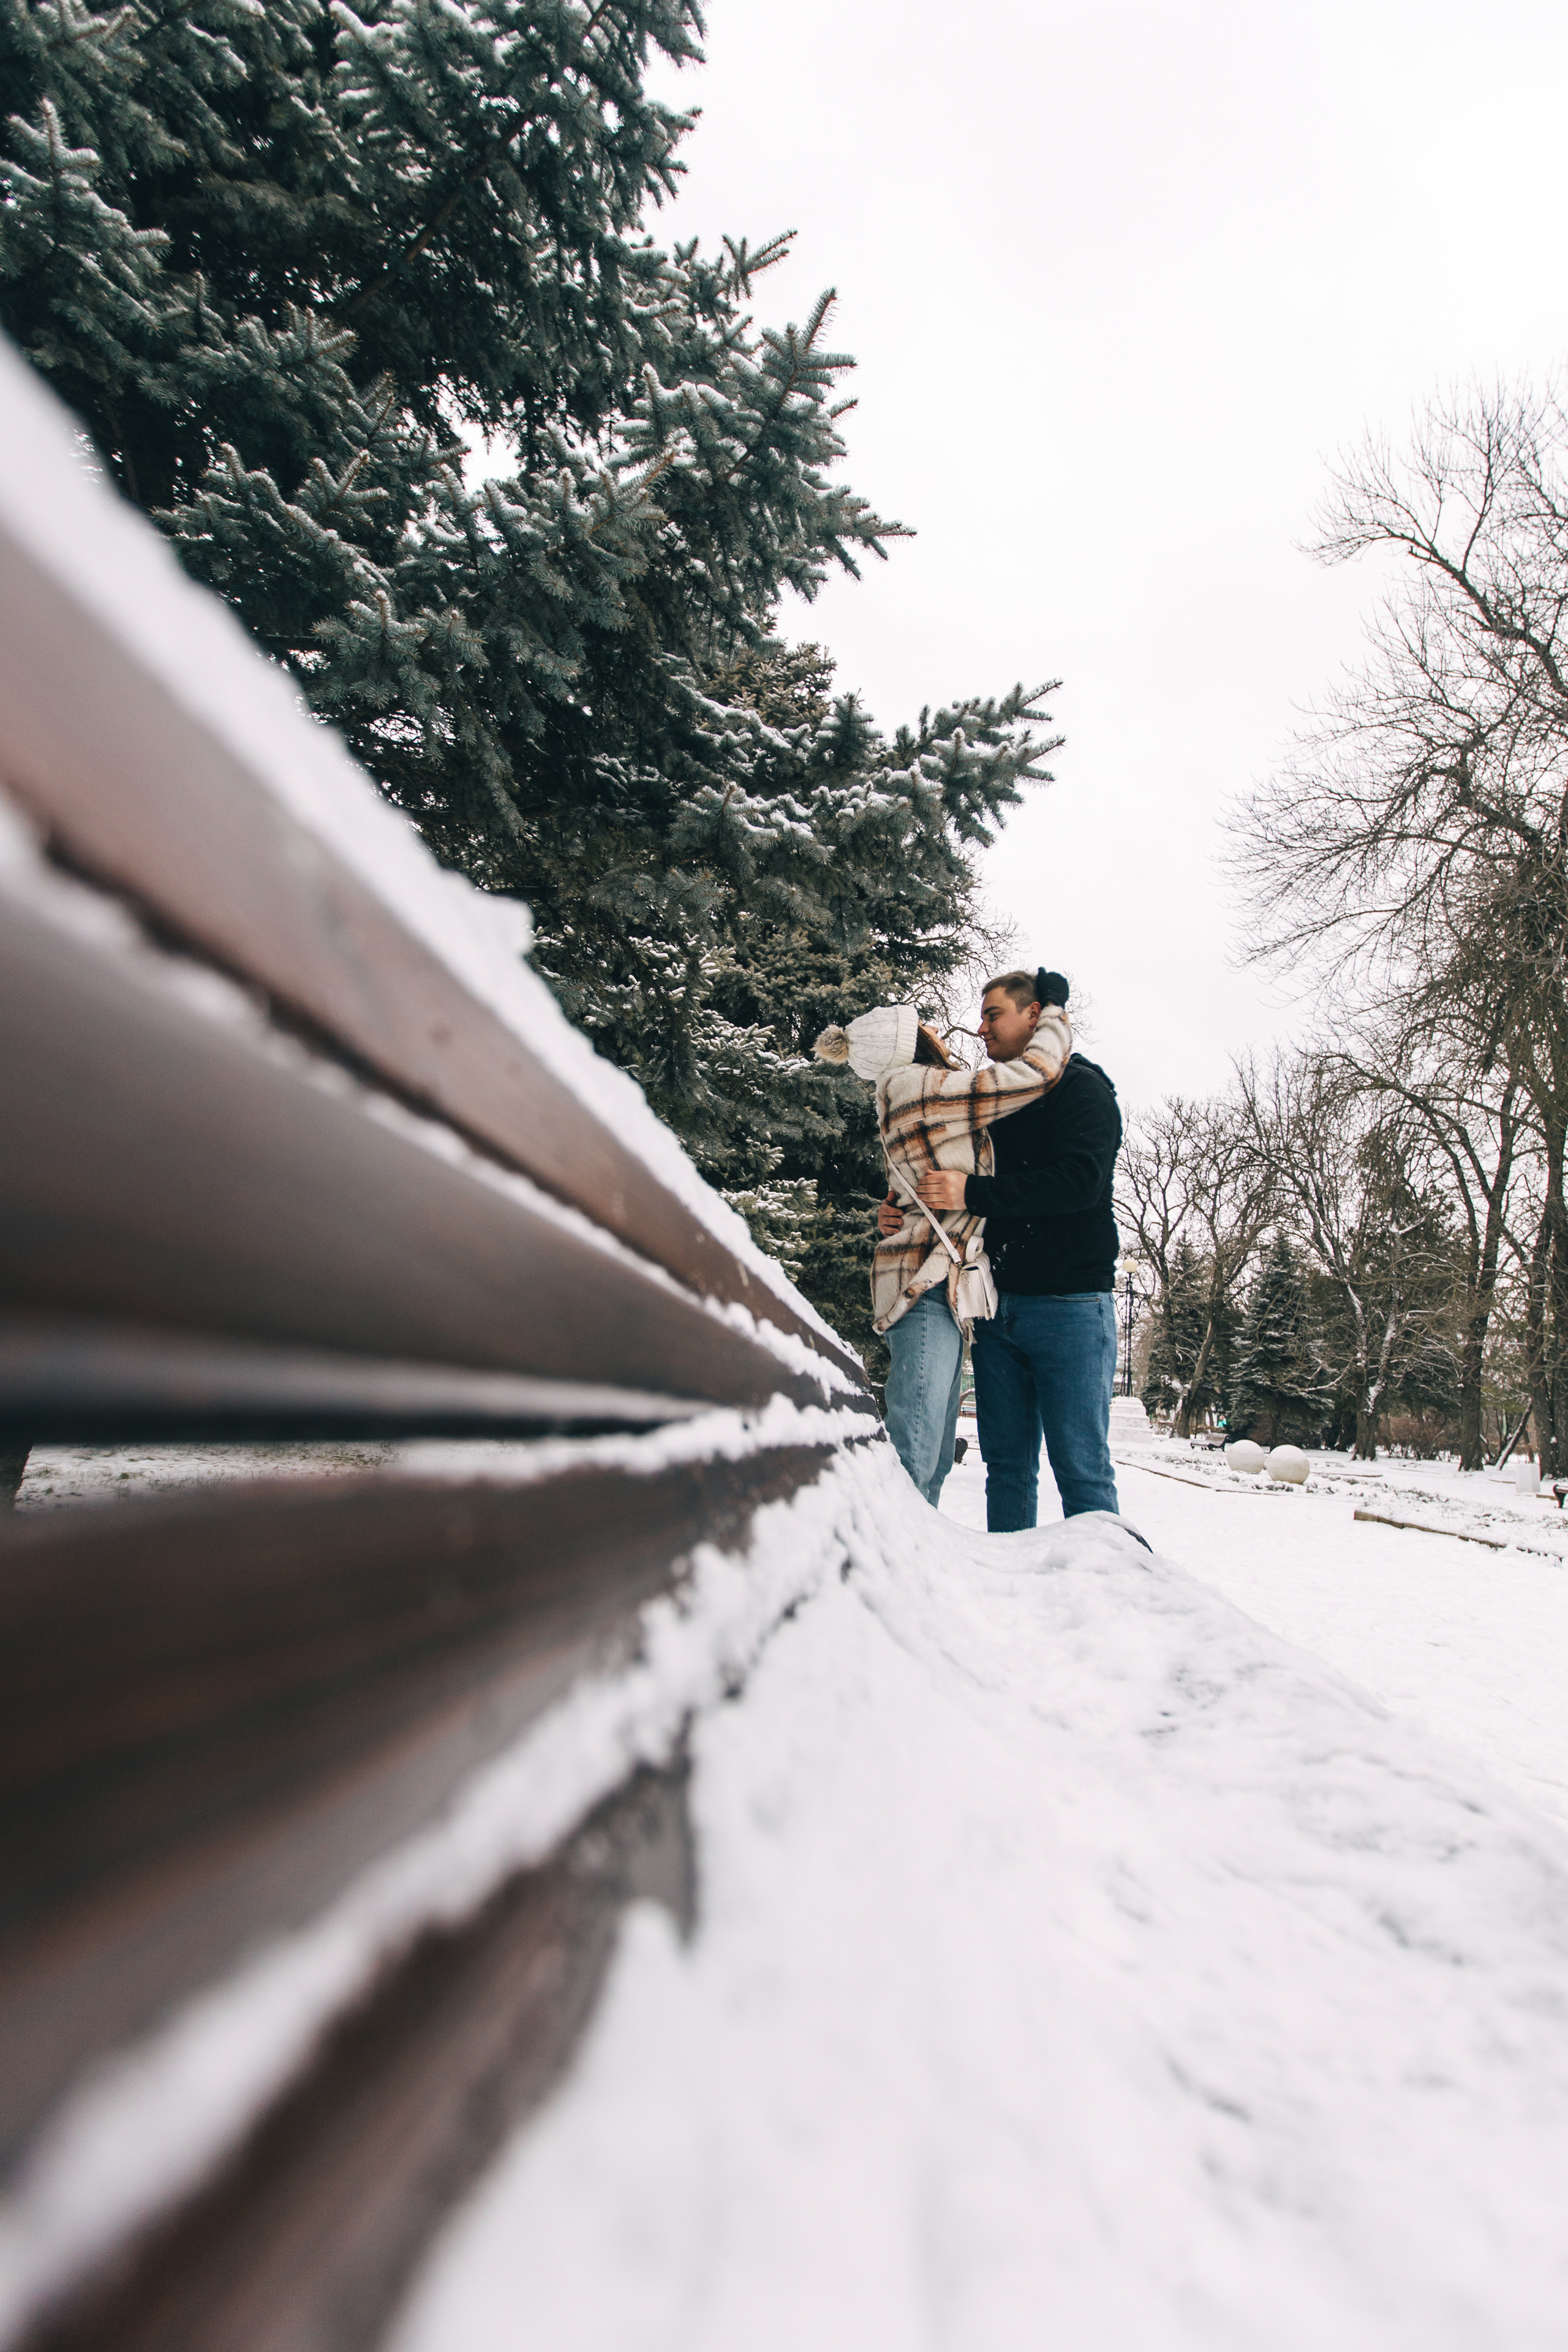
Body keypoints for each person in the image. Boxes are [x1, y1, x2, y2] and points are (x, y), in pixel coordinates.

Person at [816, 998, 1071, 1505]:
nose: (935, 1029)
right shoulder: (922, 1087)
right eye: (922, 1025)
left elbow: (913, 1185)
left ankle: (914, 1547)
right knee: (916, 1450)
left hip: (936, 1281)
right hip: (925, 1283)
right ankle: (892, 1551)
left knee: (931, 1458)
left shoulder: (902, 1092)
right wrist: (1053, 1014)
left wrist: (893, 1209)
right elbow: (1035, 1075)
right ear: (909, 1041)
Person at [910, 968, 1123, 1529]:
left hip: (1071, 1307)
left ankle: (1103, 1578)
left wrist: (974, 1192)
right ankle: (1008, 1574)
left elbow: (1080, 1182)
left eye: (993, 1015)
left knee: (1081, 1470)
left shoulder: (1083, 1089)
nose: (981, 1028)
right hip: (996, 1309)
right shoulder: (994, 1101)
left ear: (1035, 1016)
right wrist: (898, 1209)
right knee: (1005, 1468)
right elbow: (948, 1169)